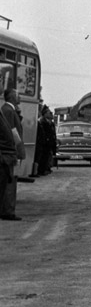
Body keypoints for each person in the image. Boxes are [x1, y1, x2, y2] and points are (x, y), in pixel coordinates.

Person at [1, 89, 25, 220]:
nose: (20, 97)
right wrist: (18, 150)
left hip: (10, 152)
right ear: (12, 97)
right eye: (18, 95)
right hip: (11, 153)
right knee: (11, 181)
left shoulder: (9, 110)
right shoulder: (9, 111)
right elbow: (12, 132)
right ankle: (8, 211)